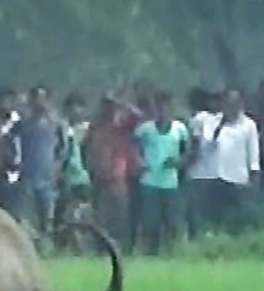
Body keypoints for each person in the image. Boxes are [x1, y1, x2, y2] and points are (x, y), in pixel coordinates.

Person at [189, 87, 261, 233]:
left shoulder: (249, 125)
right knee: (208, 220)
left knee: (233, 221)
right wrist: (219, 126)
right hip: (210, 177)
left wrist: (253, 179)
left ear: (241, 104)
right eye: (228, 103)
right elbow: (203, 147)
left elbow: (253, 156)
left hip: (236, 179)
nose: (231, 107)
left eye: (235, 103)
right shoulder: (209, 121)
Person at [134, 92, 190, 255]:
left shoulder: (180, 129)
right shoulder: (145, 130)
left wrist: (178, 162)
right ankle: (149, 252)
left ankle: (172, 252)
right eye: (159, 107)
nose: (163, 111)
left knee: (172, 221)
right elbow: (133, 148)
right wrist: (140, 162)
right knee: (150, 221)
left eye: (166, 107)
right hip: (149, 181)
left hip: (170, 182)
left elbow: (188, 152)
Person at [84, 94, 142, 252]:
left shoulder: (121, 127)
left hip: (118, 179)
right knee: (101, 219)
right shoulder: (95, 128)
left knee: (120, 217)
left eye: (111, 106)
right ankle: (101, 250)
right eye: (106, 106)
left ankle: (123, 249)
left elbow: (137, 115)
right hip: (99, 180)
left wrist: (123, 103)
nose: (108, 110)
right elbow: (86, 148)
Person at [15, 85, 62, 250]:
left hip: (48, 177)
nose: (38, 102)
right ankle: (29, 248)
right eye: (34, 98)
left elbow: (64, 149)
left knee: (47, 217)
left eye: (41, 98)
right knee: (27, 216)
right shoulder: (23, 123)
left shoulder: (56, 123)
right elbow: (10, 141)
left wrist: (58, 167)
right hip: (28, 175)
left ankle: (47, 247)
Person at [56, 92, 93, 252]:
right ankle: (72, 248)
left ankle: (80, 249)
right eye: (71, 108)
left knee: (75, 215)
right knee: (66, 216)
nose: (75, 111)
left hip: (81, 178)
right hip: (65, 178)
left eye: (78, 107)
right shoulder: (61, 128)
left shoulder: (88, 129)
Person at [184, 88, 220, 240]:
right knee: (210, 210)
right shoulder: (217, 118)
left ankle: (196, 237)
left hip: (198, 172)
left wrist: (186, 165)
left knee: (195, 211)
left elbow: (195, 146)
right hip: (215, 171)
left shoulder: (198, 120)